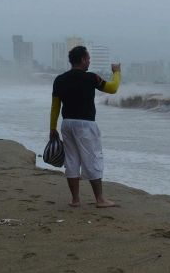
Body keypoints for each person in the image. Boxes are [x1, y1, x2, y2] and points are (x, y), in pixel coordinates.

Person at [50, 46, 121, 208]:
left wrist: (52, 128)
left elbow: (55, 106)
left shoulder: (59, 79)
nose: (89, 61)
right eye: (88, 59)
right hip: (85, 124)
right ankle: (100, 199)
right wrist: (116, 72)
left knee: (71, 160)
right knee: (93, 158)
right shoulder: (91, 78)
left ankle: (75, 200)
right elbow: (113, 88)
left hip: (67, 123)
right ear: (82, 59)